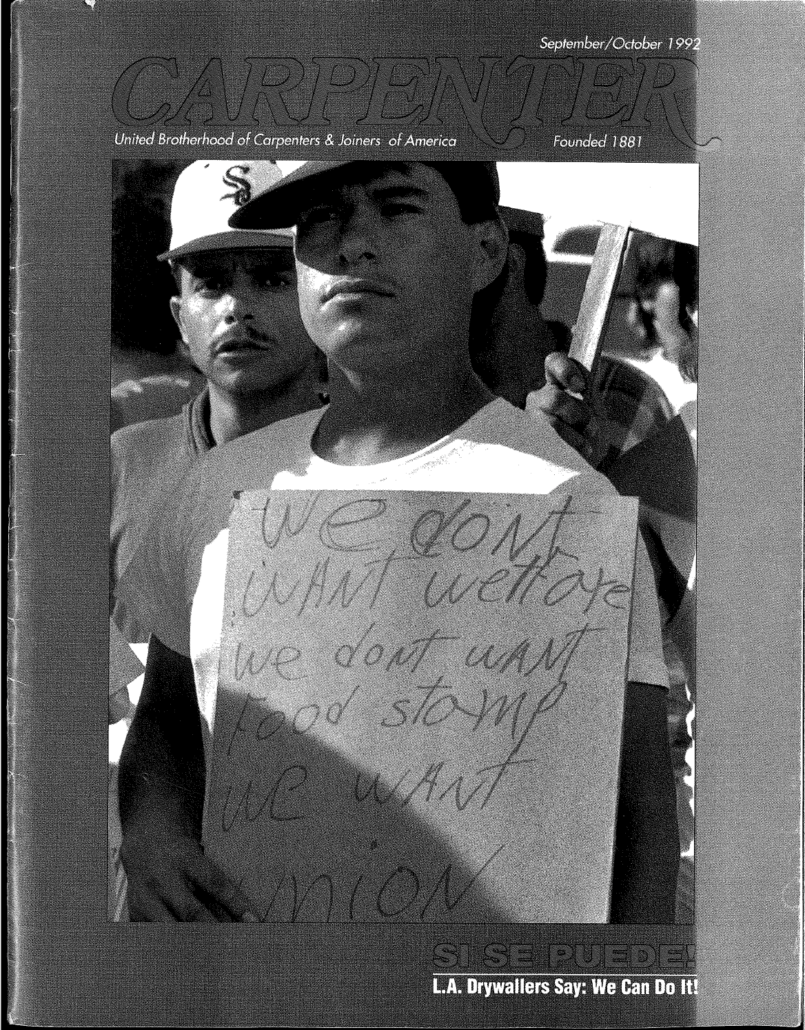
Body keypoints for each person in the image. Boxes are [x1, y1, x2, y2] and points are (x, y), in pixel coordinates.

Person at [117, 160, 678, 924]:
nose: (351, 245)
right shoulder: (217, 492)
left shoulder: (566, 500)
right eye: (320, 219)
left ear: (485, 253)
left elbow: (637, 816)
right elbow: (171, 716)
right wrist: (150, 825)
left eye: (395, 206)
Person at [111, 159, 327, 644]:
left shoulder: (374, 461)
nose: (236, 307)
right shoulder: (121, 464)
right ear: (181, 319)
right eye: (209, 282)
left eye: (272, 279)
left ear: (316, 298)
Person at [469, 206, 675, 470]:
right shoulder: (417, 397)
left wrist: (587, 468)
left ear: (509, 265)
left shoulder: (625, 398)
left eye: (442, 264)